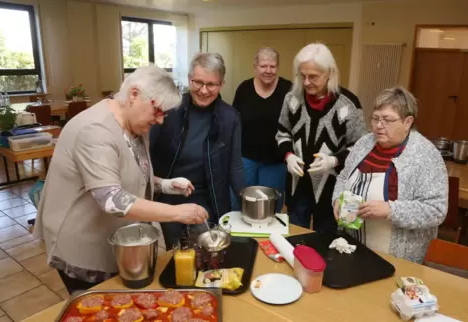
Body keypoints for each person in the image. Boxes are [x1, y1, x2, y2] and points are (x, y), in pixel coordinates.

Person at [33, 66, 208, 294]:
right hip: (83, 246)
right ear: (134, 95)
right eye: (157, 111)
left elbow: (126, 173)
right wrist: (177, 213)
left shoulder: (134, 124)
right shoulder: (95, 131)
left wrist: (164, 184)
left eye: (164, 114)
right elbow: (112, 199)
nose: (161, 121)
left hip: (115, 238)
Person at [332, 86, 448, 263]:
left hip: (397, 258)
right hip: (353, 246)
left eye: (387, 120)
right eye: (376, 118)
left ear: (407, 122)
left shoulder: (426, 155)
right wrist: (337, 200)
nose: (379, 126)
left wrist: (390, 210)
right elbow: (343, 176)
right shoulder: (364, 143)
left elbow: (436, 210)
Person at [150, 52, 246, 250]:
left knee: (207, 255)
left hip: (209, 200)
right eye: (198, 82)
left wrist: (247, 206)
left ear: (221, 84)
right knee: (176, 255)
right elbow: (147, 155)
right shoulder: (169, 110)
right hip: (169, 199)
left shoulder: (231, 118)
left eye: (211, 84)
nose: (203, 90)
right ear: (189, 79)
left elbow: (235, 167)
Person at [276, 43, 366, 233]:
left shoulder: (348, 104)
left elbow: (359, 147)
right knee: (295, 236)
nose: (307, 82)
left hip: (331, 188)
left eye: (314, 77)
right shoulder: (292, 99)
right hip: (297, 185)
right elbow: (282, 133)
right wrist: (288, 155)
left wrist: (334, 160)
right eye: (303, 76)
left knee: (326, 240)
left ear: (330, 74)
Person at [231, 47, 292, 212]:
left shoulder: (289, 90)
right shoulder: (244, 89)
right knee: (241, 202)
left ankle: (268, 238)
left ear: (278, 67)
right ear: (255, 67)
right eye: (263, 66)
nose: (268, 70)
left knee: (270, 206)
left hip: (276, 161)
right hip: (246, 158)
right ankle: (240, 237)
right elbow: (234, 122)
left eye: (272, 66)